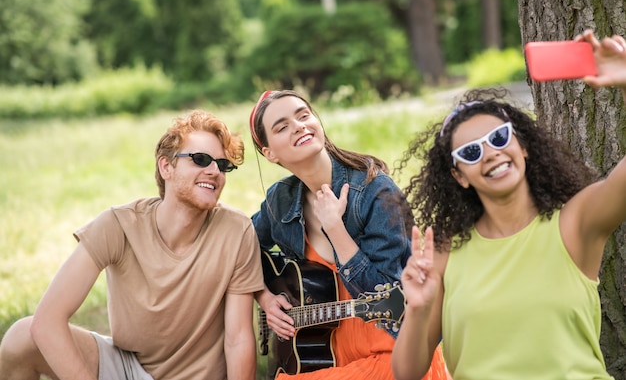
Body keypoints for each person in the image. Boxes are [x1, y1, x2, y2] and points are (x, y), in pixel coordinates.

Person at [391, 30, 626, 380]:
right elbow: (406, 373)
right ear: (460, 176)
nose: (491, 154)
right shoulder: (444, 250)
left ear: (524, 146)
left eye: (499, 138)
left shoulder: (577, 222)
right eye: (471, 152)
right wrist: (419, 308)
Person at [0, 110, 264, 380]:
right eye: (201, 159)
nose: (214, 171)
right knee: (21, 337)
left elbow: (238, 339)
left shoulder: (236, 231)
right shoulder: (119, 224)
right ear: (166, 167)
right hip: (128, 369)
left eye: (222, 165)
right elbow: (47, 321)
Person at [249, 90, 448, 380]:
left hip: (391, 351)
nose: (299, 126)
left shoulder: (374, 191)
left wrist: (336, 231)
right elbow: (240, 248)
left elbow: (391, 296)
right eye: (282, 126)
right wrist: (264, 297)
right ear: (270, 153)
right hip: (324, 355)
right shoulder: (281, 200)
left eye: (304, 115)